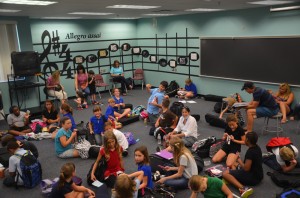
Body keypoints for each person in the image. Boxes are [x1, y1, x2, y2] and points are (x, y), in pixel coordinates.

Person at [222, 132, 263, 198]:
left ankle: (243, 188)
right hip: (259, 174)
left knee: (225, 173)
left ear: (247, 140)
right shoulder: (257, 147)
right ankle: (232, 178)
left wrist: (239, 159)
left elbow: (246, 169)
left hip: (253, 178)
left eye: (245, 138)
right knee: (234, 165)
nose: (244, 140)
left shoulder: (250, 152)